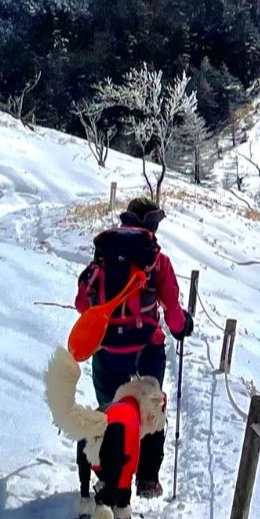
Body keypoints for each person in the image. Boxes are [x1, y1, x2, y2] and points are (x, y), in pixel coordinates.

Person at [73, 196, 193, 501]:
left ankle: (106, 475)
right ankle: (148, 479)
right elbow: (172, 309)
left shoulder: (104, 256)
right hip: (146, 350)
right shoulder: (157, 260)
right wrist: (181, 327)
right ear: (150, 224)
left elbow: (82, 303)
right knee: (152, 410)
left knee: (108, 412)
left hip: (107, 352)